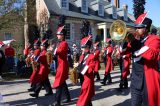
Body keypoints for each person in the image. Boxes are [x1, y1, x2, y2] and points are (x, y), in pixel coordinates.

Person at [126, 15, 160, 106]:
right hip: (135, 80)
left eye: (139, 27)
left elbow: (151, 54)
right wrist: (124, 40)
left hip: (147, 81)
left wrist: (135, 42)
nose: (136, 30)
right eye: (135, 27)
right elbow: (124, 52)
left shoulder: (154, 39)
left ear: (146, 28)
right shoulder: (134, 40)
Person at [52, 16, 71, 106]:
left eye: (58, 34)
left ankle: (57, 101)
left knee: (59, 83)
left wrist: (53, 49)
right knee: (62, 83)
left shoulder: (64, 43)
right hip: (60, 64)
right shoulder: (59, 43)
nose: (57, 36)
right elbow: (56, 55)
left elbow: (59, 52)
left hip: (63, 65)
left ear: (62, 35)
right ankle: (68, 98)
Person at [76, 35, 95, 106]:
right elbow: (80, 67)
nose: (82, 49)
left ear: (88, 47)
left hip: (88, 79)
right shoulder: (82, 56)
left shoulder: (91, 56)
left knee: (83, 98)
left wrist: (79, 67)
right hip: (82, 78)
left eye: (83, 47)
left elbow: (89, 69)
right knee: (87, 99)